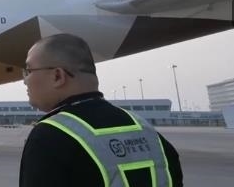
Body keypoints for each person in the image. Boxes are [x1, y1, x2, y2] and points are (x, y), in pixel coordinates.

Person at [20, 34, 183, 187]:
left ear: (58, 76)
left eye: (29, 71)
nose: (25, 81)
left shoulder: (49, 137)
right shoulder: (148, 133)